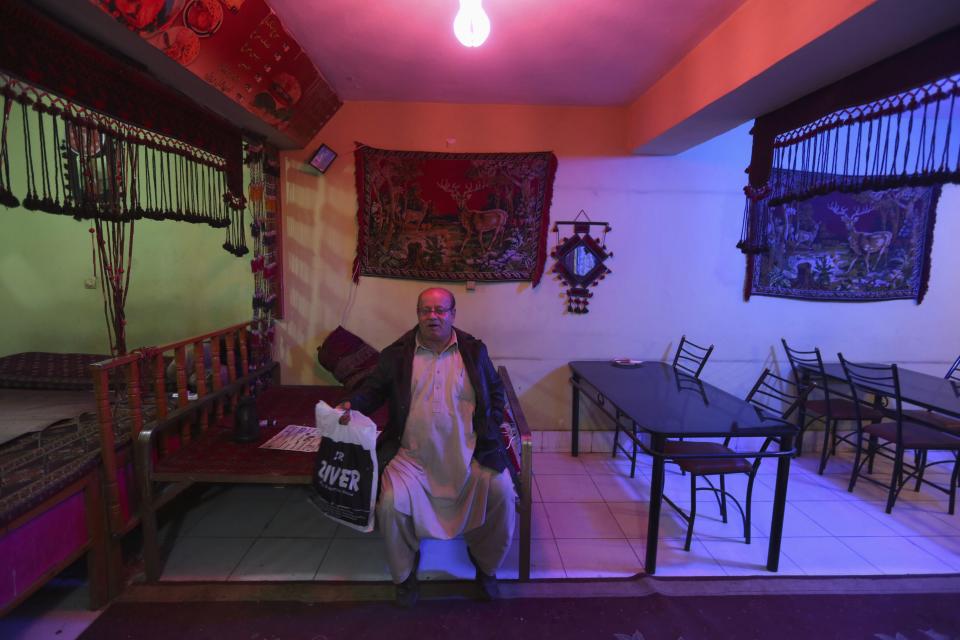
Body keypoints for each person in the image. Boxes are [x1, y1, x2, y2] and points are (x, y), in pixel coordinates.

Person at [338, 287, 515, 608]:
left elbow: (495, 388)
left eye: (440, 310)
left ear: (453, 314)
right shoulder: (396, 355)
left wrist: (491, 424)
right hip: (412, 458)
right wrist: (354, 404)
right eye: (426, 310)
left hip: (469, 455)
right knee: (389, 505)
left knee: (502, 493)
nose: (433, 317)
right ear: (418, 314)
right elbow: (373, 390)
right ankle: (405, 577)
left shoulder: (474, 351)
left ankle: (486, 569)